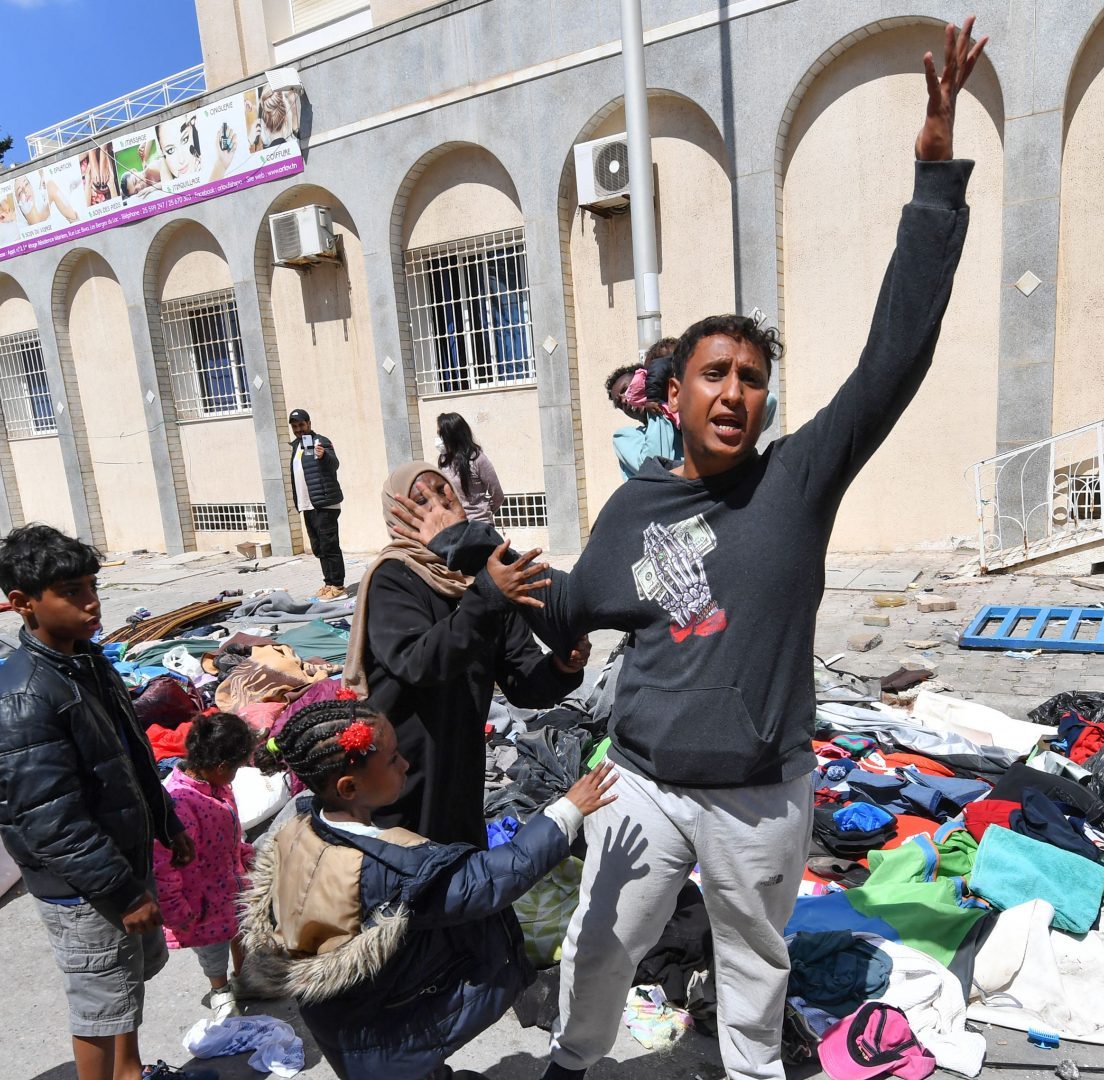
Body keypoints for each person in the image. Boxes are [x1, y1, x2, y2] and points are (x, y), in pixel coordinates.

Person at [392, 22, 985, 1079]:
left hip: (761, 795)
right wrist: (470, 545)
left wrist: (932, 183)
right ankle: (574, 1064)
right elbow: (568, 604)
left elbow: (897, 351)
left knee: (755, 966)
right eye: (715, 374)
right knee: (600, 945)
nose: (735, 392)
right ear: (676, 394)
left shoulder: (796, 482)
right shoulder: (635, 507)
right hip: (642, 786)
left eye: (752, 378)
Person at [239, 699, 619, 1080]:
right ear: (349, 786)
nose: (405, 764)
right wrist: (566, 812)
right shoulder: (382, 870)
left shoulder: (302, 826)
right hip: (380, 1036)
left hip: (342, 1015)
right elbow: (487, 882)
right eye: (392, 760)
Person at [0, 524, 209, 1080]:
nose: (91, 603)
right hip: (84, 886)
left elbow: (128, 753)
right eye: (71, 592)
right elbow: (48, 821)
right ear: (23, 604)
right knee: (99, 1003)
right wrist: (121, 891)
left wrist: (164, 819)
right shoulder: (27, 695)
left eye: (91, 586)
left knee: (123, 984)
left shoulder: (85, 661)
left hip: (118, 857)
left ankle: (129, 1072)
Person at [344, 462, 590, 847]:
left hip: (461, 763)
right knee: (404, 873)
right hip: (401, 766)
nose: (439, 507)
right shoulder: (395, 576)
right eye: (420, 500)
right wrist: (487, 597)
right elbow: (418, 662)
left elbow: (521, 681)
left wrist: (561, 667)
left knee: (459, 868)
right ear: (398, 518)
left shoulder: (482, 577)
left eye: (445, 494)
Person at [153, 711, 256, 1023]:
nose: (237, 775)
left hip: (230, 881)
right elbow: (165, 865)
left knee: (243, 929)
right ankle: (220, 988)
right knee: (212, 948)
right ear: (222, 766)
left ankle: (247, 977)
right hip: (200, 899)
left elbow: (232, 829)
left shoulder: (217, 787)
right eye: (237, 768)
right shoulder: (182, 802)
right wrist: (175, 909)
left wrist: (244, 854)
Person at [287, 408, 347, 600]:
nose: (299, 429)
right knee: (319, 547)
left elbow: (334, 464)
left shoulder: (322, 441)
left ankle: (338, 586)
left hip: (324, 503)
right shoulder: (296, 446)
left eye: (301, 425)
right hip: (307, 504)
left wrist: (324, 456)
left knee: (330, 545)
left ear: (309, 424)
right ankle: (328, 583)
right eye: (295, 426)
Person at [608, 337, 684, 478]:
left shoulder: (681, 422)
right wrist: (655, 410)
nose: (625, 400)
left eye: (626, 389)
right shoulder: (625, 437)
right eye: (619, 403)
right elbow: (654, 467)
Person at [435, 412, 505, 525]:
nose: (438, 439)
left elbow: (498, 495)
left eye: (440, 434)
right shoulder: (444, 461)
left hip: (479, 526)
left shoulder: (477, 459)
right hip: (456, 525)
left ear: (451, 435)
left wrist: (483, 512)